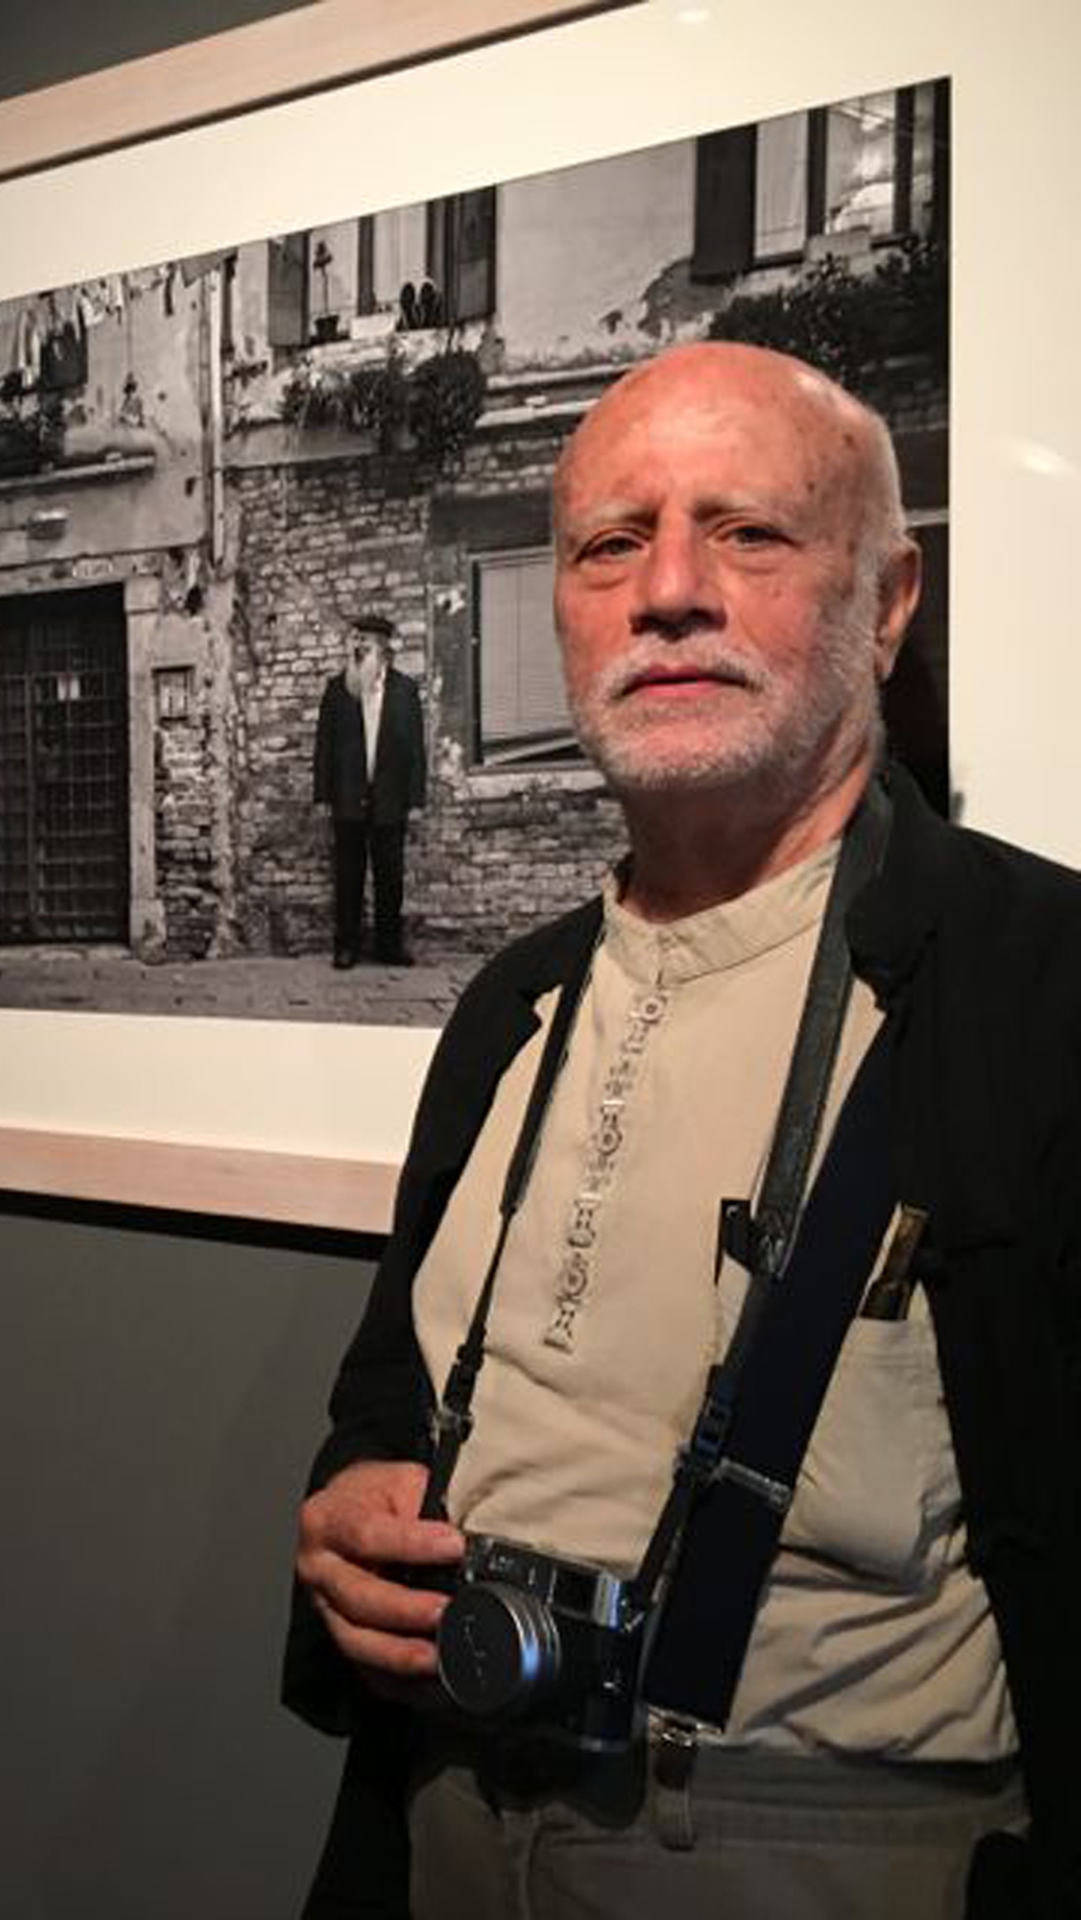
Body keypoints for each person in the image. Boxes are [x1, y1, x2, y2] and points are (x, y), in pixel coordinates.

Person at [285, 342, 1081, 1918]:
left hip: (836, 1855)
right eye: (608, 544)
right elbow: (389, 1392)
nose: (667, 592)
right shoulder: (513, 1003)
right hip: (438, 1813)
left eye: (749, 533)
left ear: (890, 601)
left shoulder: (1043, 989)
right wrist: (354, 1501)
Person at [313, 615, 427, 968]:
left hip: (390, 799)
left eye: (365, 641)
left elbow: (415, 751)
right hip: (348, 798)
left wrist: (416, 798)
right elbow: (324, 746)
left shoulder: (405, 691)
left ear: (384, 648)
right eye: (355, 640)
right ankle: (346, 946)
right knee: (348, 876)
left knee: (390, 877)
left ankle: (388, 946)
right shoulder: (337, 689)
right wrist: (322, 796)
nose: (358, 646)